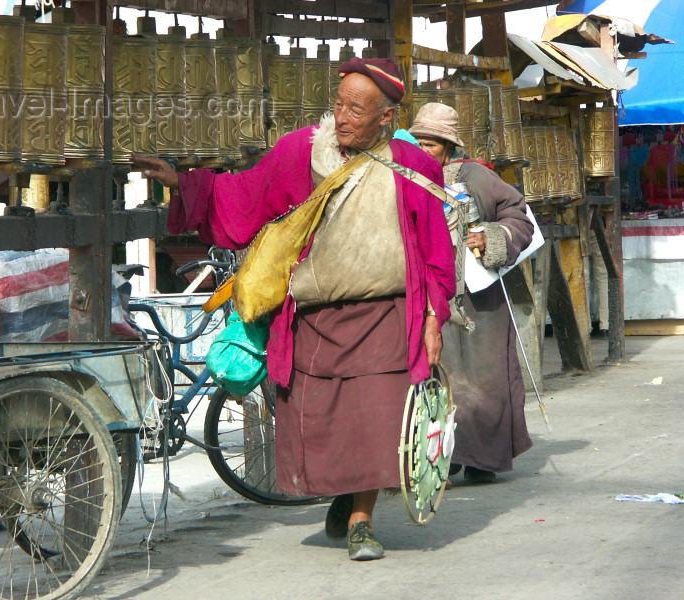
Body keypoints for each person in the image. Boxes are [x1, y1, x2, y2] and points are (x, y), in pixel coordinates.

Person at [133, 58, 455, 561]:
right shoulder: (301, 154)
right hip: (315, 317)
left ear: (386, 118)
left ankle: (362, 522)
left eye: (357, 109)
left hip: (385, 314)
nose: (343, 117)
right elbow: (244, 192)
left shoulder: (413, 170)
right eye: (338, 105)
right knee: (326, 421)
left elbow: (436, 250)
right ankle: (347, 494)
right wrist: (183, 182)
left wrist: (435, 317)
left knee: (373, 422)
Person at [408, 102, 534, 484]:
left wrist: (491, 237)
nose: (422, 150)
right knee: (434, 375)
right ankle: (441, 459)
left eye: (431, 144)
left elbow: (517, 215)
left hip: (479, 299)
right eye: (417, 142)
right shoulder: (404, 177)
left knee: (484, 378)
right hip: (427, 293)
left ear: (448, 146)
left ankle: (482, 457)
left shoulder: (477, 178)